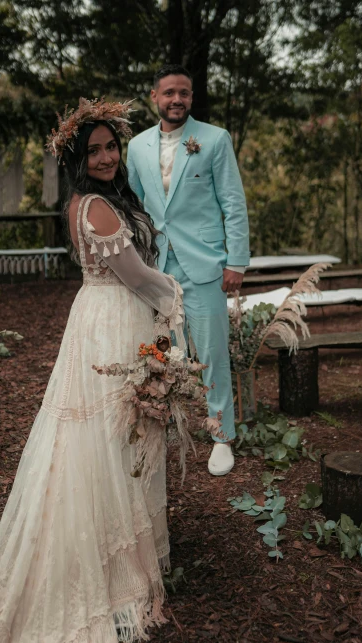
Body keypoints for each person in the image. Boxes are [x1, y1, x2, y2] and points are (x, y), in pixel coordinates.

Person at [0, 98, 184, 643]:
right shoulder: (94, 206)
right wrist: (175, 298)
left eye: (110, 147)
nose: (105, 157)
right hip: (112, 320)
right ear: (77, 159)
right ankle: (108, 567)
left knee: (115, 438)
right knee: (107, 437)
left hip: (102, 321)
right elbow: (135, 276)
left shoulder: (100, 201)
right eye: (92, 150)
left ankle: (119, 550)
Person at [127, 64, 251, 477]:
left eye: (184, 92)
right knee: (161, 350)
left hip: (206, 264)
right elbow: (134, 207)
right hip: (156, 266)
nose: (176, 99)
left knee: (212, 353)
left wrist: (236, 261)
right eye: (169, 93)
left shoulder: (214, 140)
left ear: (191, 98)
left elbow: (233, 203)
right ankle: (169, 423)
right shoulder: (138, 146)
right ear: (154, 97)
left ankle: (220, 435)